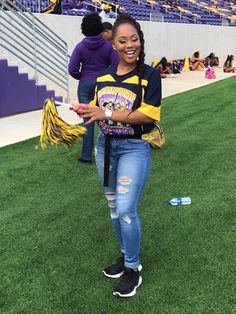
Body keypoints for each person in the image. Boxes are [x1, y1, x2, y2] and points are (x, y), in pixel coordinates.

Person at [71, 14, 161, 297]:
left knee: (126, 209)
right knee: (113, 208)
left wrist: (106, 112)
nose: (129, 44)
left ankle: (133, 268)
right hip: (105, 148)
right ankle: (125, 256)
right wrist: (85, 110)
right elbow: (97, 109)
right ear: (115, 44)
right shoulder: (103, 77)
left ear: (140, 41)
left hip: (134, 147)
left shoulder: (149, 75)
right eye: (122, 40)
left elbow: (146, 114)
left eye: (134, 39)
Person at [68, 13, 119, 163]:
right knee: (107, 117)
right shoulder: (108, 46)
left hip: (85, 85)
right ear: (99, 28)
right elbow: (116, 65)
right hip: (103, 84)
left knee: (88, 120)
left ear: (84, 29)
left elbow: (72, 69)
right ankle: (111, 152)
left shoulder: (80, 47)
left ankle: (86, 156)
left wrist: (82, 76)